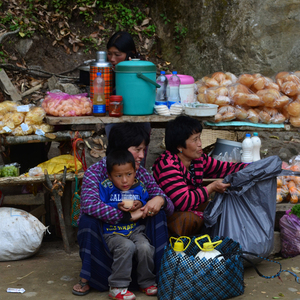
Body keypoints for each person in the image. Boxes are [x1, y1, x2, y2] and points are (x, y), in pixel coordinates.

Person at [72, 122, 174, 296]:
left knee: (159, 215)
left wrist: (160, 200)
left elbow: (170, 205)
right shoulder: (95, 173)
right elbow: (89, 205)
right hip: (107, 238)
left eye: (144, 149)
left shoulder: (140, 173)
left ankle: (152, 277)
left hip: (135, 234)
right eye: (137, 149)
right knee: (88, 220)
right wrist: (125, 216)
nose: (142, 155)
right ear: (120, 148)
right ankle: (91, 276)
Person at [152, 115, 247, 237]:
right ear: (179, 147)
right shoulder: (168, 165)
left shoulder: (197, 159)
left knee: (222, 209)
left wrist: (257, 166)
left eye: (199, 138)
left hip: (189, 208)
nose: (200, 144)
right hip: (168, 216)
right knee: (190, 219)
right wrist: (211, 188)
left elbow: (225, 168)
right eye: (195, 140)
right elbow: (183, 202)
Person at [101, 149, 157, 299]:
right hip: (112, 232)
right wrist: (116, 207)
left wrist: (140, 203)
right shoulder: (106, 187)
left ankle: (146, 282)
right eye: (118, 176)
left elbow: (146, 200)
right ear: (110, 176)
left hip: (134, 230)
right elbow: (100, 206)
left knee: (145, 247)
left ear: (135, 173)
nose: (125, 180)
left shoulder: (139, 186)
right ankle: (117, 286)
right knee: (127, 246)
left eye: (129, 174)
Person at [105, 31, 151, 167]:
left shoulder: (141, 71)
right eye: (110, 53)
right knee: (117, 160)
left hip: (139, 122)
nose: (112, 59)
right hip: (115, 120)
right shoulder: (107, 71)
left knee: (137, 158)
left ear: (130, 54)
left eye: (117, 55)